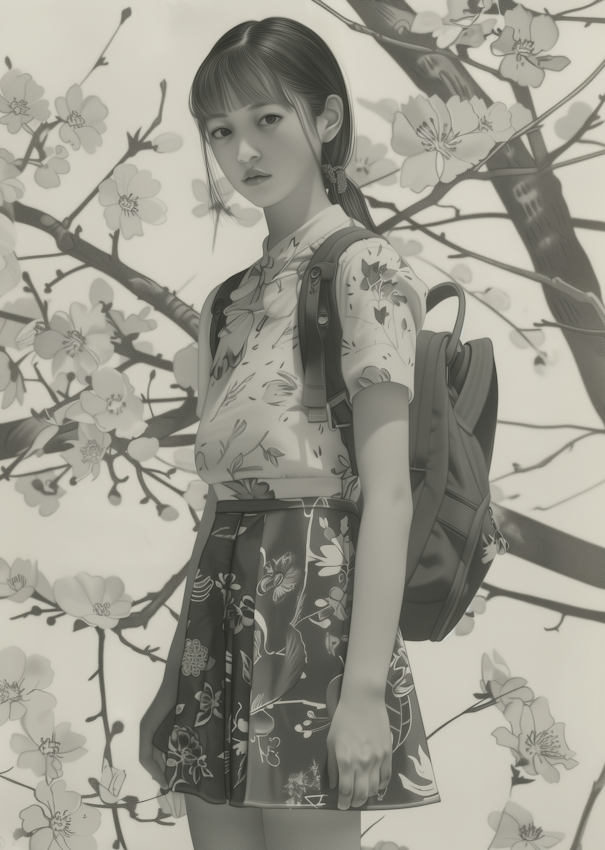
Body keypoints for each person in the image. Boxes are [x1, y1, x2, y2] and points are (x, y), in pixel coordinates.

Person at [140, 17, 440, 850]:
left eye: (269, 119)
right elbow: (216, 505)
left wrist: (365, 693)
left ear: (329, 119)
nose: (245, 152)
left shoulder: (364, 268)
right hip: (219, 606)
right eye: (222, 131)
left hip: (314, 601)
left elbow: (386, 491)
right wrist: (173, 682)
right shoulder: (227, 300)